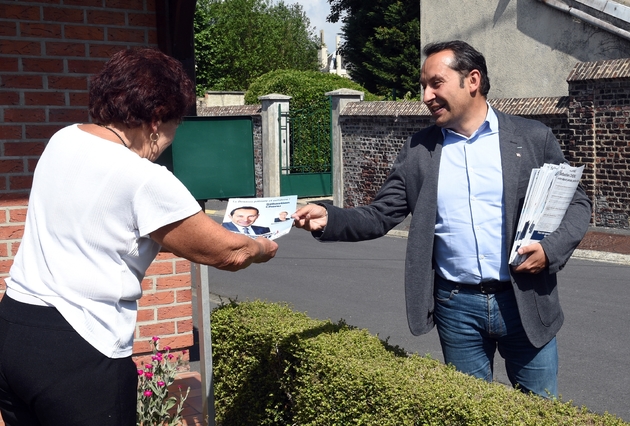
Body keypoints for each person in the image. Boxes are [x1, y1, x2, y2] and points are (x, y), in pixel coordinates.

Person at [292, 40, 591, 398]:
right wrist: (329, 217)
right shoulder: (419, 151)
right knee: (467, 411)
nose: (426, 96)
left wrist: (550, 250)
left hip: (524, 299)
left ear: (473, 80)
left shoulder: (531, 138)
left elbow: (576, 203)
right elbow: (380, 214)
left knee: (541, 412)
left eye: (436, 83)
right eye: (423, 86)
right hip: (456, 307)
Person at [0, 48, 277, 426]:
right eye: (176, 125)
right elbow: (226, 253)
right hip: (80, 347)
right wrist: (262, 244)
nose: (170, 139)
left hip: (15, 326)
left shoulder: (63, 139)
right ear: (157, 120)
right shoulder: (144, 178)